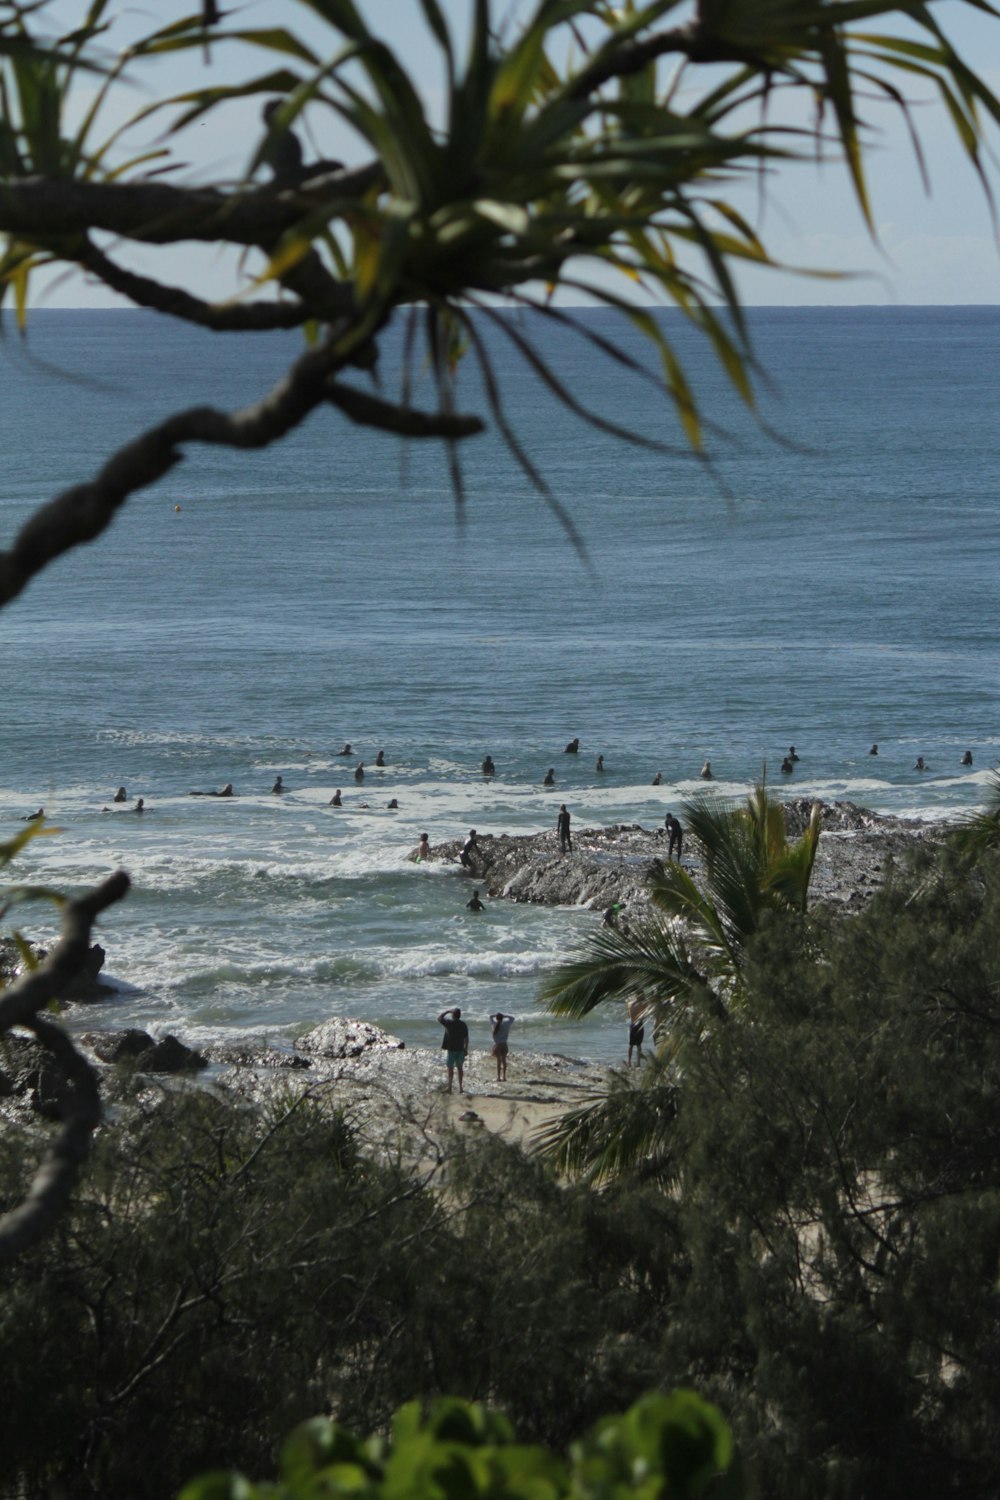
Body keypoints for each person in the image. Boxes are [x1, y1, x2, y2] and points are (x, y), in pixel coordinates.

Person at [437, 1007, 469, 1094]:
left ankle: (450, 1088)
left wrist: (447, 1011)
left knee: (450, 1069)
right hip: (460, 1049)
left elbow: (439, 1018)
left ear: (453, 1015)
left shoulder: (449, 1023)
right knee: (460, 1068)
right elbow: (466, 1038)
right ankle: (461, 1088)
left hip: (451, 1049)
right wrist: (466, 1049)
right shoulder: (463, 1024)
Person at [490, 1011, 514, 1081]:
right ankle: (504, 1077)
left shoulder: (494, 1024)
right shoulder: (506, 1024)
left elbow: (490, 1016)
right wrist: (504, 1016)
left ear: (496, 1019)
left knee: (498, 1061)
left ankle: (498, 1077)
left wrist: (496, 1015)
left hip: (497, 1045)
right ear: (502, 1018)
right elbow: (512, 1018)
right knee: (504, 1060)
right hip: (504, 1045)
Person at [627, 997, 646, 1068]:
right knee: (639, 1045)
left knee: (631, 1045)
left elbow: (629, 1014)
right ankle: (638, 1063)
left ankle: (629, 1062)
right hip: (639, 1024)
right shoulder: (642, 1004)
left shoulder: (630, 1004)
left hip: (632, 1024)